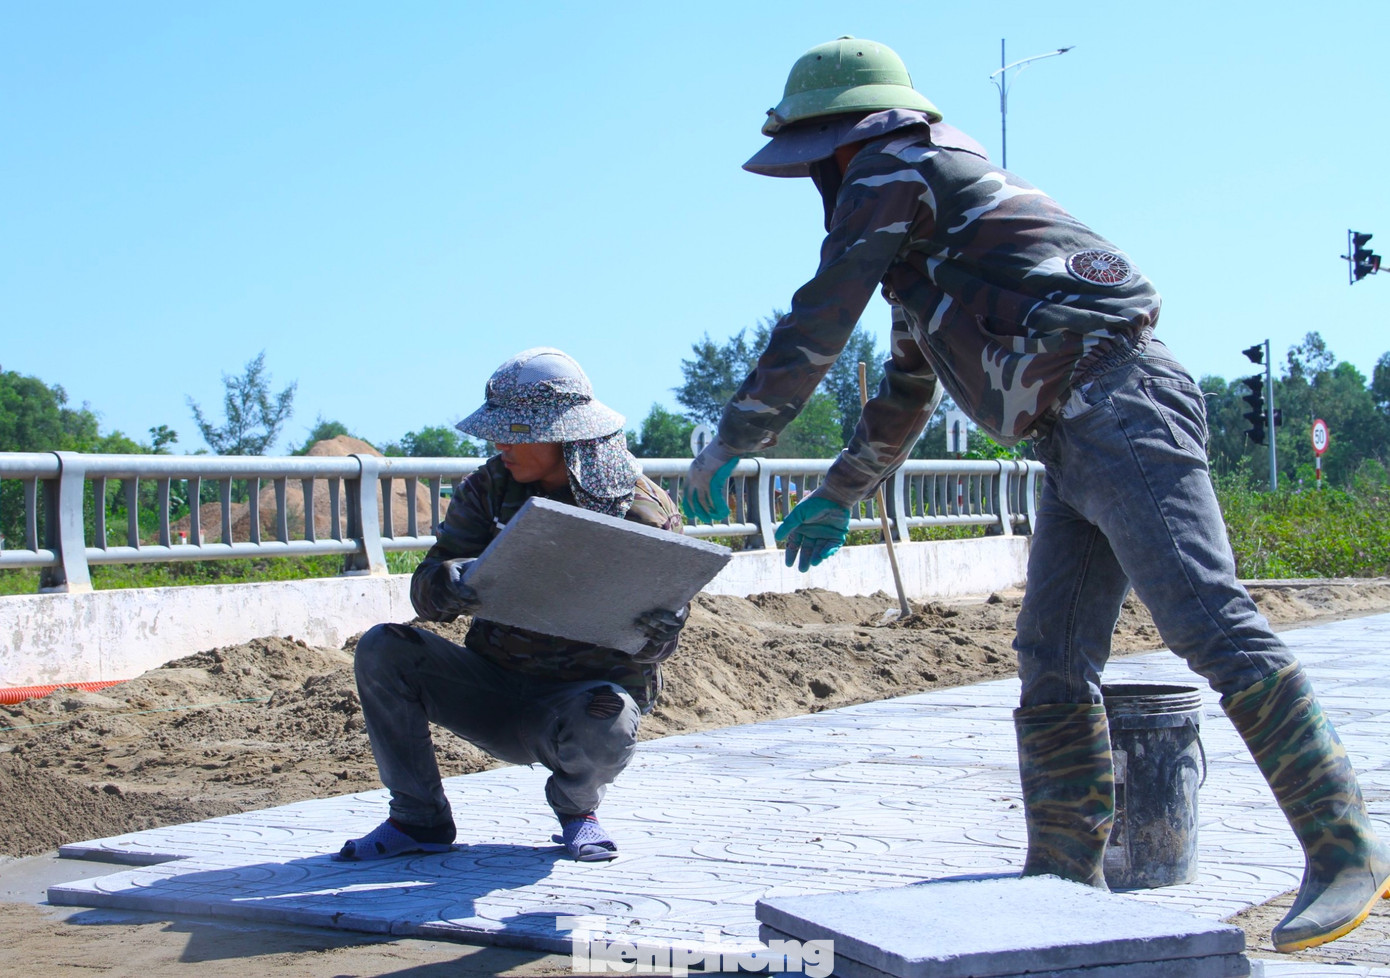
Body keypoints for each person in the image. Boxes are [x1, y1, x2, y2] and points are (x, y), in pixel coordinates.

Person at [683, 36, 1389, 952]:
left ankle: (1344, 849)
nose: (821, 179)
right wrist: (842, 489)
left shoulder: (897, 165)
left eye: (817, 160)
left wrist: (733, 440)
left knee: (1210, 623)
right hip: (1072, 428)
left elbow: (820, 312)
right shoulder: (931, 244)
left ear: (840, 141)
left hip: (1117, 400)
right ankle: (1062, 871)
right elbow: (907, 386)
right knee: (1051, 654)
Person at [340, 347, 686, 863]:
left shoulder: (640, 510)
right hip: (491, 688)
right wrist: (446, 582)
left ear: (564, 432)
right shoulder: (489, 488)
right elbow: (425, 590)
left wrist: (663, 628)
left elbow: (658, 647)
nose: (500, 444)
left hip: (576, 706)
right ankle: (418, 819)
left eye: (516, 432)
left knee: (609, 715)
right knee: (383, 649)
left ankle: (578, 812)